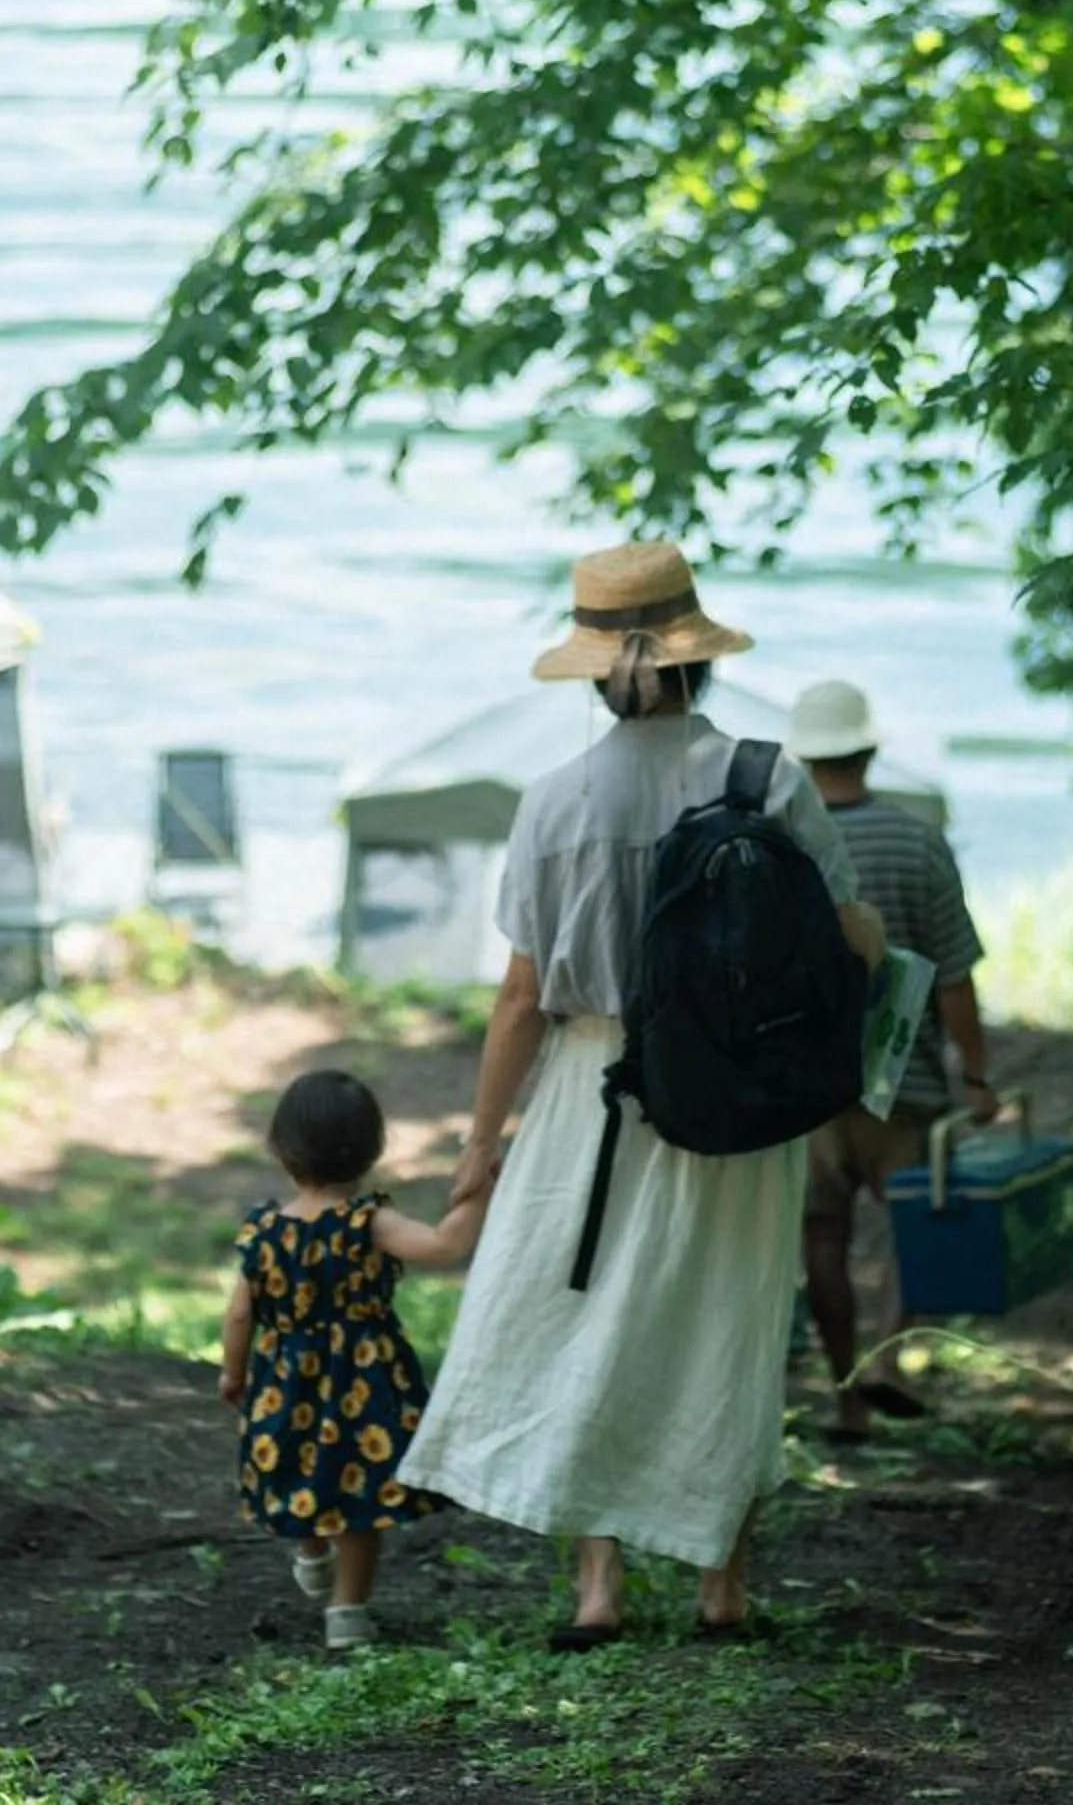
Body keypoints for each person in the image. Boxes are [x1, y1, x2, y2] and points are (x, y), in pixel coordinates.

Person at [398, 542, 881, 1650]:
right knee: (729, 1319)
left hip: (593, 1089)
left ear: (591, 671)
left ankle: (598, 1589)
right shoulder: (770, 778)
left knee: (584, 1319)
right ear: (699, 657)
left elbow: (522, 994)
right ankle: (722, 1583)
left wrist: (480, 1146)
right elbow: (848, 933)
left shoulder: (554, 799)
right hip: (739, 1096)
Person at [788, 679, 998, 1442]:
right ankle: (885, 1359)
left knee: (822, 1240)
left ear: (801, 761)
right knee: (916, 1227)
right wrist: (974, 1073)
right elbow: (954, 977)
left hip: (809, 1086)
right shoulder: (918, 841)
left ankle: (846, 1400)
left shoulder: (785, 847)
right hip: (903, 1081)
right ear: (870, 750)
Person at [219, 1068, 488, 1651]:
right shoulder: (370, 1223)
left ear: (280, 1147)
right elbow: (445, 1245)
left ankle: (311, 1549)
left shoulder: (264, 1230)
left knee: (291, 1468)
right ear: (371, 1151)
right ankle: (347, 1611)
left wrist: (233, 1373)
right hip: (362, 1382)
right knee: (358, 1494)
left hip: (284, 1383)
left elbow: (240, 1314)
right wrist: (479, 1187)